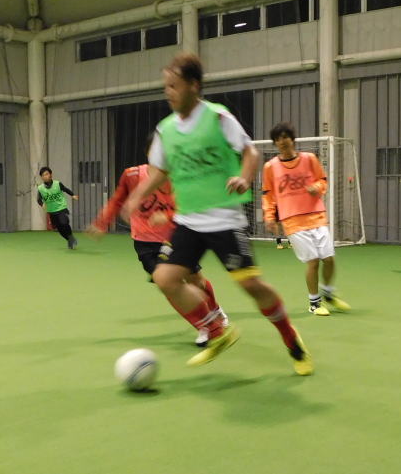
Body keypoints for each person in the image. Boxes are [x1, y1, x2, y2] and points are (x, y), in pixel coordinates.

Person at [123, 53, 313, 375]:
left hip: (224, 219)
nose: (168, 92)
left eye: (174, 85)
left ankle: (291, 339)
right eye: (165, 86)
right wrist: (137, 195)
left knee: (252, 286)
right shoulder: (165, 130)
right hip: (188, 221)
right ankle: (217, 330)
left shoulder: (218, 117)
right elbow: (160, 170)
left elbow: (250, 151)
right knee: (165, 278)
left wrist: (244, 177)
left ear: (194, 86)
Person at [87, 134, 229, 347]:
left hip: (177, 237)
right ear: (148, 153)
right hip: (145, 242)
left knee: (195, 280)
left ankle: (215, 310)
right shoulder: (133, 175)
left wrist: (168, 215)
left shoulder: (181, 177)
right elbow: (118, 199)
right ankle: (205, 325)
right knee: (168, 285)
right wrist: (102, 222)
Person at [262, 122, 351, 317]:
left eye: (285, 137)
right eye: (278, 139)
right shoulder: (270, 167)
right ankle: (314, 303)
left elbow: (322, 180)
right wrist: (269, 216)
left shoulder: (309, 159)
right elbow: (268, 194)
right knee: (313, 261)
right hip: (292, 221)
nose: (282, 142)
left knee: (329, 258)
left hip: (316, 216)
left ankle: (328, 293)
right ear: (275, 143)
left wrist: (316, 188)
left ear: (292, 139)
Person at [36, 167, 79, 249]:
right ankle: (70, 239)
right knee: (59, 229)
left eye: (47, 174)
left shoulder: (57, 184)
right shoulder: (41, 188)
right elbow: (38, 199)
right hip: (52, 211)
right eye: (43, 175)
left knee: (64, 223)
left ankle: (70, 236)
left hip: (61, 208)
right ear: (41, 177)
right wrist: (42, 204)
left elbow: (65, 189)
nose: (45, 176)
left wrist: (72, 195)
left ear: (51, 175)